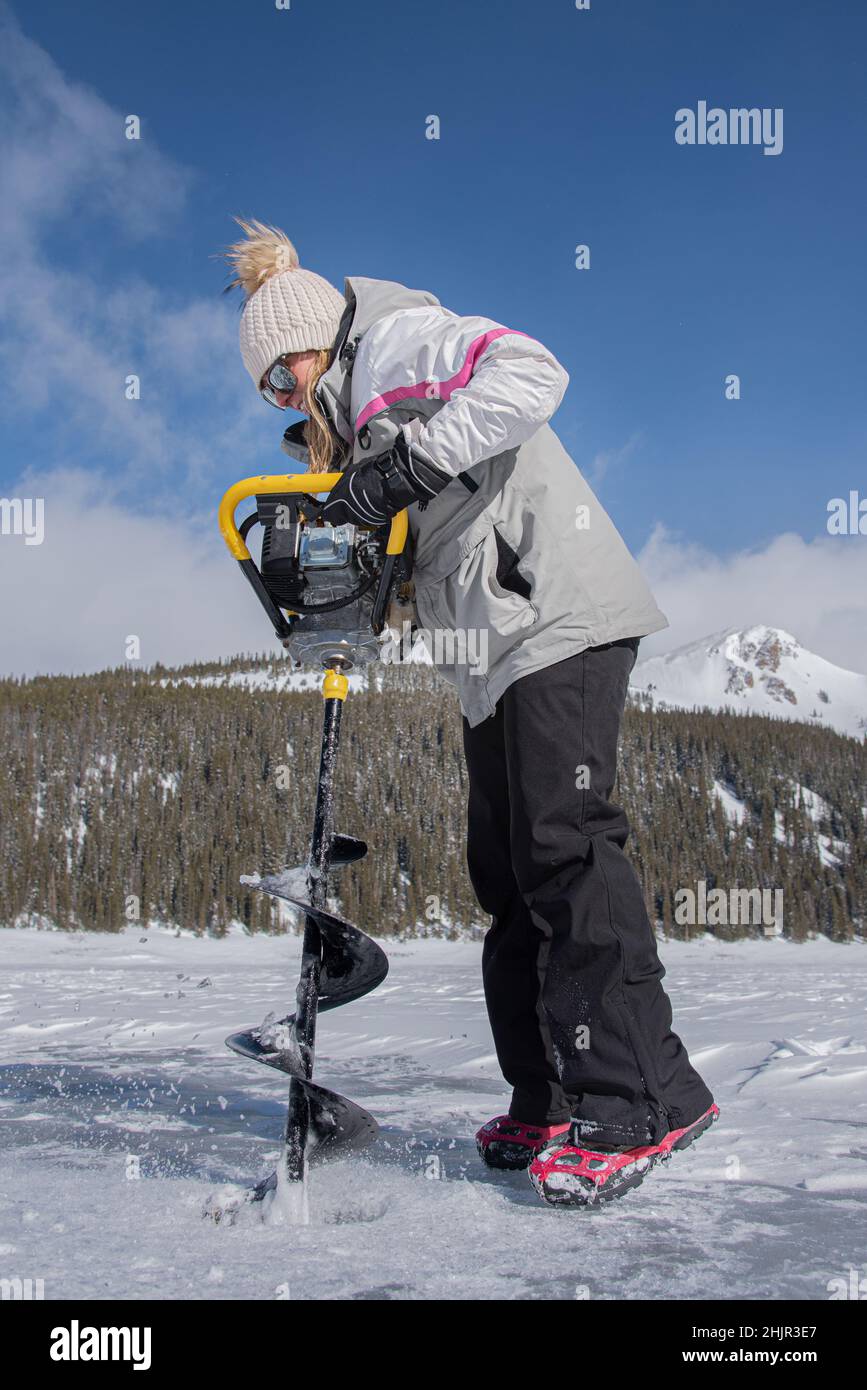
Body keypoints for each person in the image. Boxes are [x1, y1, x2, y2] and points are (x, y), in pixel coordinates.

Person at [221, 218, 718, 1207]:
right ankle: (554, 1092)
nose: (285, 401)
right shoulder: (362, 427)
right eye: (270, 393)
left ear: (316, 343)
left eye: (285, 377)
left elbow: (534, 372)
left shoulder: (402, 348)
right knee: (507, 875)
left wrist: (401, 471)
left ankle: (630, 1102)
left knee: (565, 847)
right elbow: (423, 537)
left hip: (555, 617)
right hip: (491, 653)